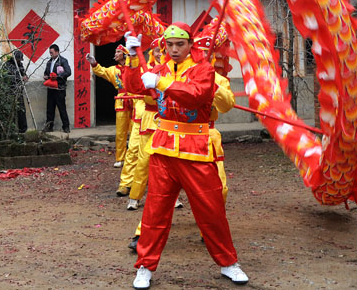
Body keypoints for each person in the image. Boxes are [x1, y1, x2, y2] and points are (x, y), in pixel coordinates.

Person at [123, 23, 248, 289]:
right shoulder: (158, 69)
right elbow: (134, 86)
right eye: (170, 44)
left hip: (196, 150)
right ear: (164, 46)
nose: (175, 49)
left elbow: (196, 95)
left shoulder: (203, 70)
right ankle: (144, 266)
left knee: (212, 211)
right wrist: (133, 58)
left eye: (180, 44)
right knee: (155, 212)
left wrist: (161, 82)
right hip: (163, 150)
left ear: (190, 44)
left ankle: (228, 263)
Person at [86, 45, 134, 168]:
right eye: (116, 52)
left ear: (124, 54)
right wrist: (94, 63)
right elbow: (101, 71)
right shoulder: (113, 70)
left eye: (118, 52)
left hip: (135, 101)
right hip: (121, 101)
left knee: (135, 132)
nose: (116, 54)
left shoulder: (133, 67)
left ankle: (134, 157)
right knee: (120, 133)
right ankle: (120, 158)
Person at [43, 44, 71, 133]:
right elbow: (46, 72)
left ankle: (66, 127)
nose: (50, 54)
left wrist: (58, 76)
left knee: (62, 108)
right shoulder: (49, 62)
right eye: (50, 52)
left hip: (59, 88)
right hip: (51, 88)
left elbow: (68, 72)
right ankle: (49, 126)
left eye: (51, 52)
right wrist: (46, 76)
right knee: (50, 109)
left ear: (57, 52)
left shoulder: (63, 61)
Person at [3, 50, 29, 133]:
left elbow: (23, 73)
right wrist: (18, 78)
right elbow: (6, 77)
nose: (19, 61)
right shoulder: (7, 65)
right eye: (18, 60)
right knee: (12, 111)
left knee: (21, 109)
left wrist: (25, 76)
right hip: (10, 90)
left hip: (19, 90)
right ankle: (12, 129)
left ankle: (23, 129)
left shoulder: (20, 65)